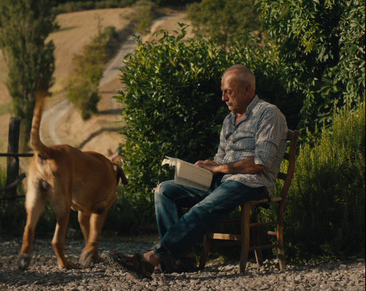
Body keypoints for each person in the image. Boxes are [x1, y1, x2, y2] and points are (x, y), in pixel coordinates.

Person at [103, 64, 288, 279]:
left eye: (229, 92)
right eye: (223, 92)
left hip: (251, 183)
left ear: (248, 89)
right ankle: (183, 259)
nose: (223, 98)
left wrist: (219, 167)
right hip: (222, 181)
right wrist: (205, 167)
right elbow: (221, 158)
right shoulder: (229, 120)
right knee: (163, 190)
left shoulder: (268, 113)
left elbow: (261, 161)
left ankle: (150, 260)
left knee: (204, 206)